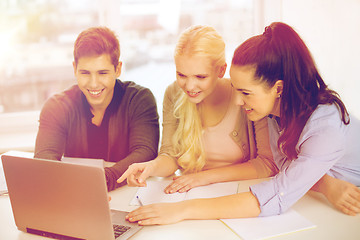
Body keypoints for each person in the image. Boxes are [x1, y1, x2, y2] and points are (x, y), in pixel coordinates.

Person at [123, 22, 360, 225]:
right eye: (236, 90)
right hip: (324, 204)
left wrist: (182, 210)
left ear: (278, 88)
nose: (237, 101)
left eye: (245, 93)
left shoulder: (324, 127)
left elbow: (275, 195)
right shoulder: (275, 113)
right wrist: (326, 184)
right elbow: (290, 170)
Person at [118, 25, 274, 194]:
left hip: (239, 194)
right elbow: (170, 156)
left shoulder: (245, 95)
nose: (189, 86)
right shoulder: (173, 93)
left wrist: (204, 178)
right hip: (191, 193)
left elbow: (267, 164)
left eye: (201, 76)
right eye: (182, 75)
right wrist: (150, 167)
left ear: (221, 70)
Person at [34, 26, 159, 191]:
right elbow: (45, 158)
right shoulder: (57, 106)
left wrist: (100, 182)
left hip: (128, 192)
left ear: (118, 69)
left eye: (102, 73)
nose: (93, 83)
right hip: (75, 193)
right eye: (85, 73)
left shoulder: (139, 99)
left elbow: (145, 152)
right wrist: (78, 187)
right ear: (74, 69)